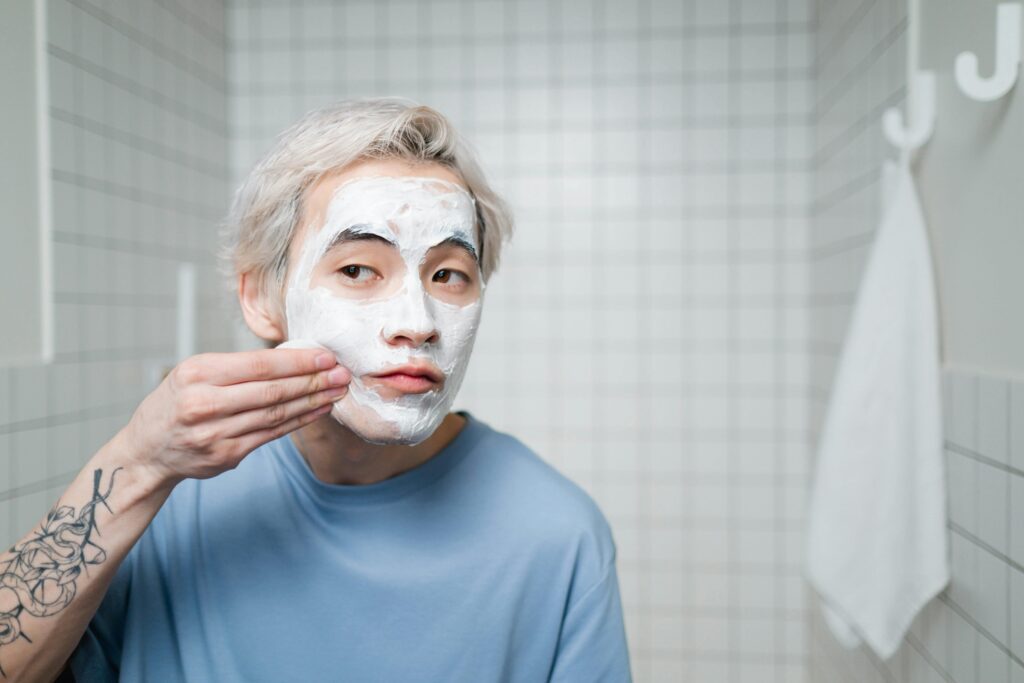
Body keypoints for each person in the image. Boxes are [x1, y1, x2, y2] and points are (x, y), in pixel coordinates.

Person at [0, 97, 632, 682]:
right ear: (260, 298)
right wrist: (137, 463)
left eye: (449, 274)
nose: (417, 322)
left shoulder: (557, 534)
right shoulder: (174, 493)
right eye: (358, 269)